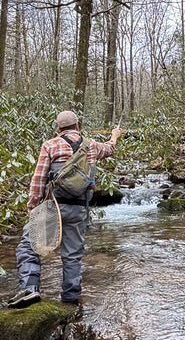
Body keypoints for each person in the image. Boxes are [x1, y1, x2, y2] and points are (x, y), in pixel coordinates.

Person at [8, 110, 122, 308]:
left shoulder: (50, 145)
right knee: (72, 255)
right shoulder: (92, 146)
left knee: (28, 246)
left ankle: (30, 288)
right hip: (79, 209)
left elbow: (38, 180)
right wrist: (114, 135)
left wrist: (32, 207)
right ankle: (70, 301)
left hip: (52, 207)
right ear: (77, 126)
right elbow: (110, 149)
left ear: (58, 129)